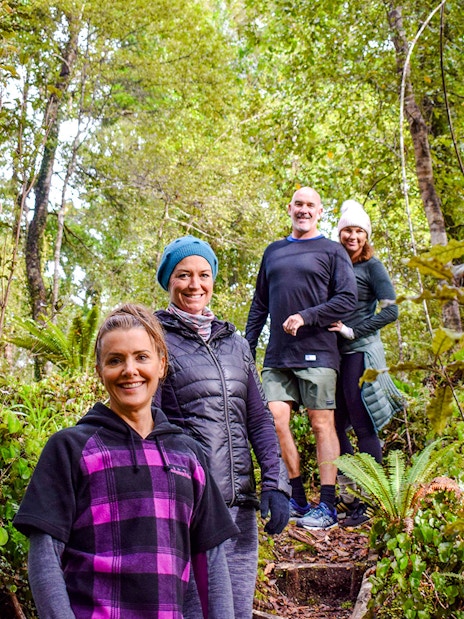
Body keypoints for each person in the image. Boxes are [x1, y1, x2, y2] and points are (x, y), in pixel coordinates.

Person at [14, 303, 239, 619]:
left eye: (141, 357)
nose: (129, 370)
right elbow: (44, 556)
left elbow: (211, 562)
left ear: (161, 364)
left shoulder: (188, 454)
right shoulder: (69, 448)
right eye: (115, 360)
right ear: (99, 370)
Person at [154, 235, 289, 619]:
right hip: (191, 507)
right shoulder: (154, 338)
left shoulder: (235, 343)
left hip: (240, 510)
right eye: (183, 275)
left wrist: (275, 485)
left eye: (203, 274)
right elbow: (152, 422)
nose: (194, 284)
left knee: (237, 611)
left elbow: (259, 418)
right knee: (200, 611)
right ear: (169, 281)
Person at [245, 186, 358, 531]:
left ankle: (326, 505)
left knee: (321, 423)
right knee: (274, 420)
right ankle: (296, 495)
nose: (304, 210)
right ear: (289, 208)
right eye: (299, 204)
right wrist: (245, 348)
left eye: (311, 205)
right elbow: (260, 304)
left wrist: (306, 317)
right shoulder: (273, 251)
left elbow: (347, 299)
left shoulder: (332, 251)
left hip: (319, 352)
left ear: (320, 212)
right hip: (277, 355)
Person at [329, 200, 404, 527]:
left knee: (362, 423)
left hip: (361, 350)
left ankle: (371, 501)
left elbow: (391, 310)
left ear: (366, 235)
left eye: (359, 230)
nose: (353, 235)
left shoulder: (372, 266)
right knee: (333, 425)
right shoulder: (334, 262)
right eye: (348, 229)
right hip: (336, 354)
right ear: (340, 232)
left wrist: (353, 330)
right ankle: (352, 492)